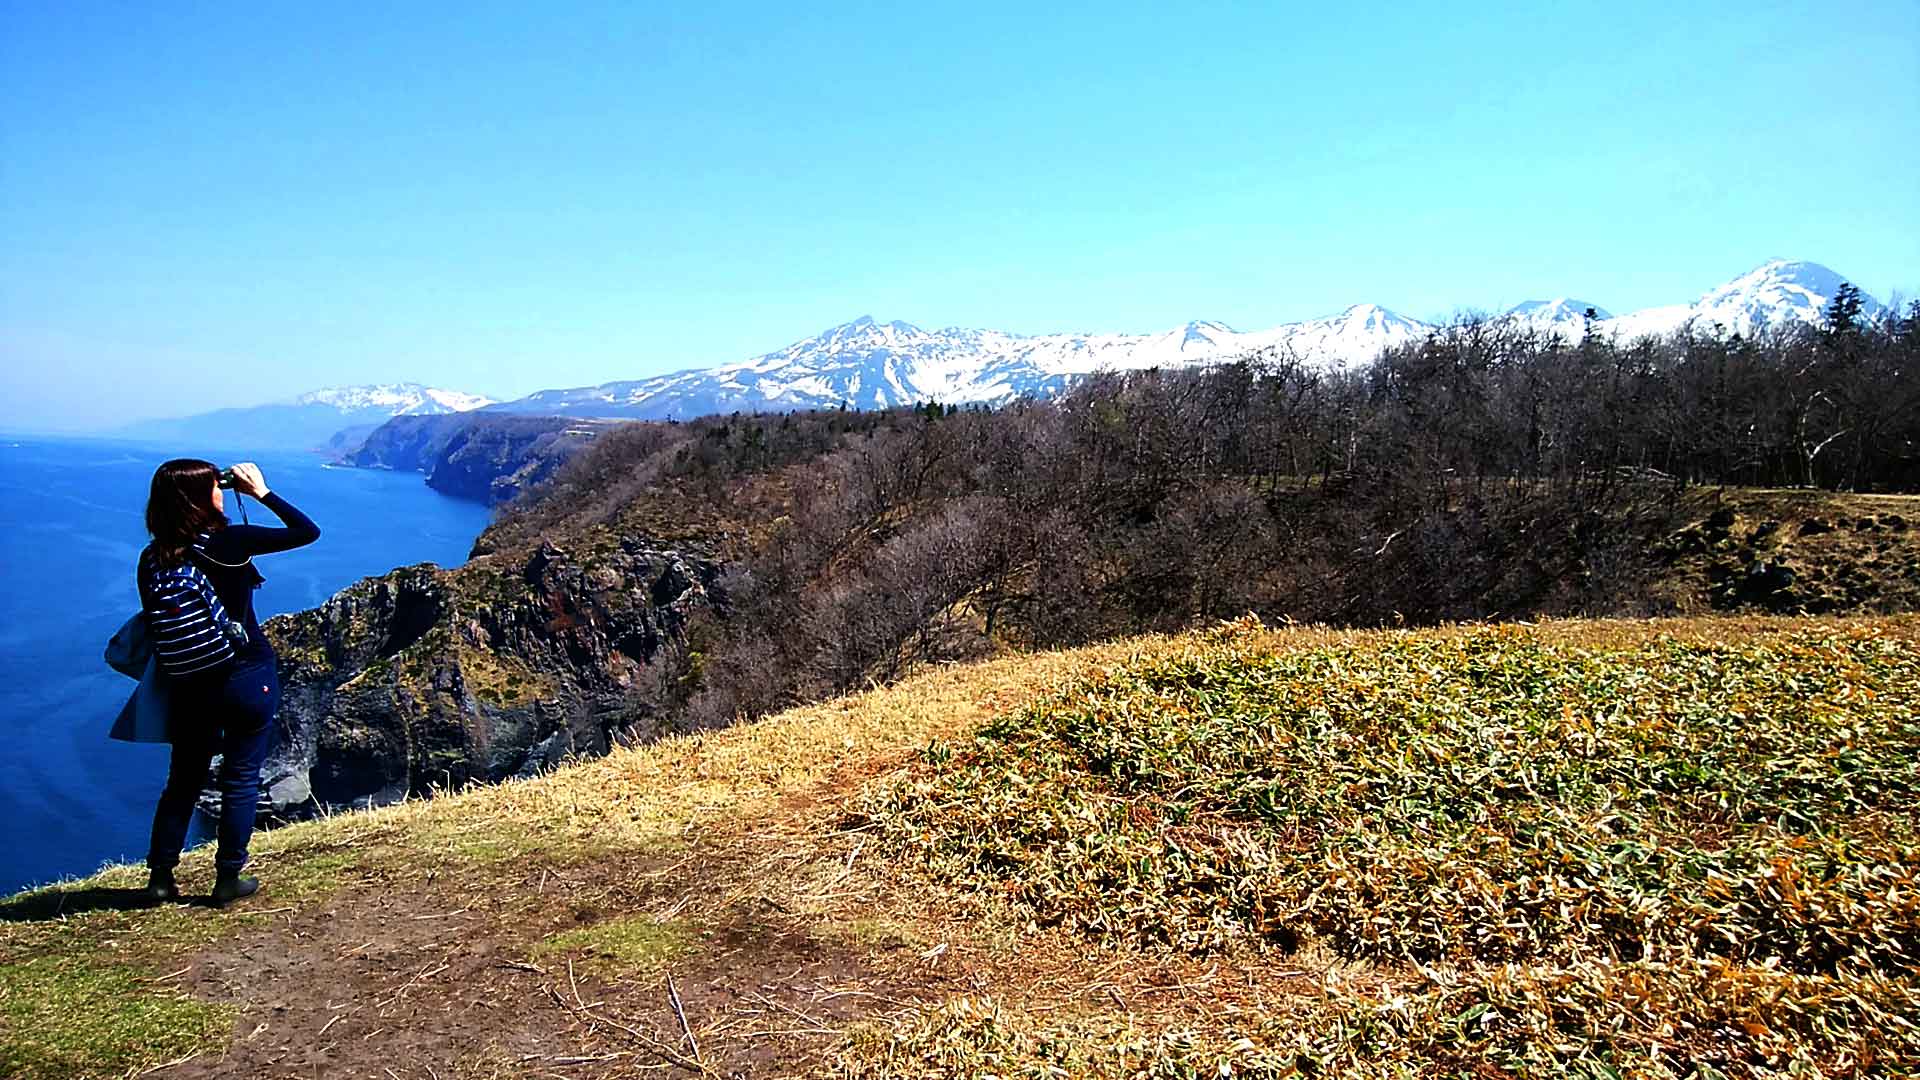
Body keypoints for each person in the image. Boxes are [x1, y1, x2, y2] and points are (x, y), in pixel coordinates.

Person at [137, 459, 319, 905]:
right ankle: (227, 879)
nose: (222, 490)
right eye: (215, 486)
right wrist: (261, 492)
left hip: (189, 682)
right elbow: (306, 531)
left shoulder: (152, 558)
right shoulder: (230, 542)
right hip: (245, 674)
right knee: (240, 778)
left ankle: (160, 878)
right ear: (201, 498)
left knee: (182, 780)